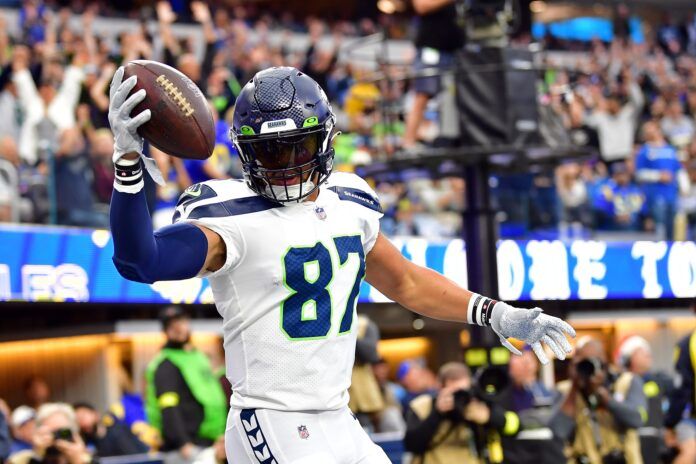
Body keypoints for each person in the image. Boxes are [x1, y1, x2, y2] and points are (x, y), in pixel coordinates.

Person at [108, 65, 575, 463]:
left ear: (327, 141)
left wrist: (495, 313)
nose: (287, 166)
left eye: (299, 147)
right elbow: (139, 261)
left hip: (337, 415)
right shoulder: (230, 216)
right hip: (270, 419)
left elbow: (407, 281)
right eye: (271, 151)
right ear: (246, 152)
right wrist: (128, 161)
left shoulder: (350, 202)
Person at [144, 307, 226, 464]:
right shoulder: (165, 364)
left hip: (209, 443)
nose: (179, 328)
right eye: (172, 325)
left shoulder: (198, 357)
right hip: (187, 450)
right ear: (165, 331)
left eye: (181, 322)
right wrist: (183, 443)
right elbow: (168, 407)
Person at [549, 337, 646, 464]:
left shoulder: (626, 382)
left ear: (605, 362)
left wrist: (606, 399)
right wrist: (574, 387)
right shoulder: (565, 390)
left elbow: (637, 419)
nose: (589, 368)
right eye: (584, 363)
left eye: (594, 361)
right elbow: (558, 431)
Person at [403, 362, 518, 463]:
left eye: (464, 391)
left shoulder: (475, 403)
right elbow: (411, 445)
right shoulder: (423, 406)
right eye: (454, 393)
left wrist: (489, 417)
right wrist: (437, 413)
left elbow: (513, 427)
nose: (460, 398)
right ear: (439, 388)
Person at [402, 0, 465, 150]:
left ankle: (449, 141)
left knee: (452, 98)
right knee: (423, 94)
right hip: (431, 48)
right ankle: (408, 142)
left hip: (453, 51)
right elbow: (421, 5)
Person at [663, 300, 696, 464]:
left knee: (690, 452)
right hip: (692, 420)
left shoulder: (688, 344)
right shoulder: (688, 345)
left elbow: (681, 389)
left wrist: (669, 425)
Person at [73, 402, 149, 458]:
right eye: (77, 420)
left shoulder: (118, 432)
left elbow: (135, 459)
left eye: (83, 416)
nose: (82, 422)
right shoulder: (88, 443)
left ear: (96, 414)